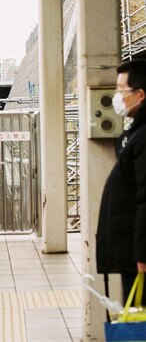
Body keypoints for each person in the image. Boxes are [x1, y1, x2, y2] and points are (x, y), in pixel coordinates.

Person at [96, 59, 146, 302]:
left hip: (139, 256)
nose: (117, 96)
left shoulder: (143, 137)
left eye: (121, 90)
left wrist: (142, 254)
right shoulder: (135, 133)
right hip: (133, 250)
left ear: (141, 94)